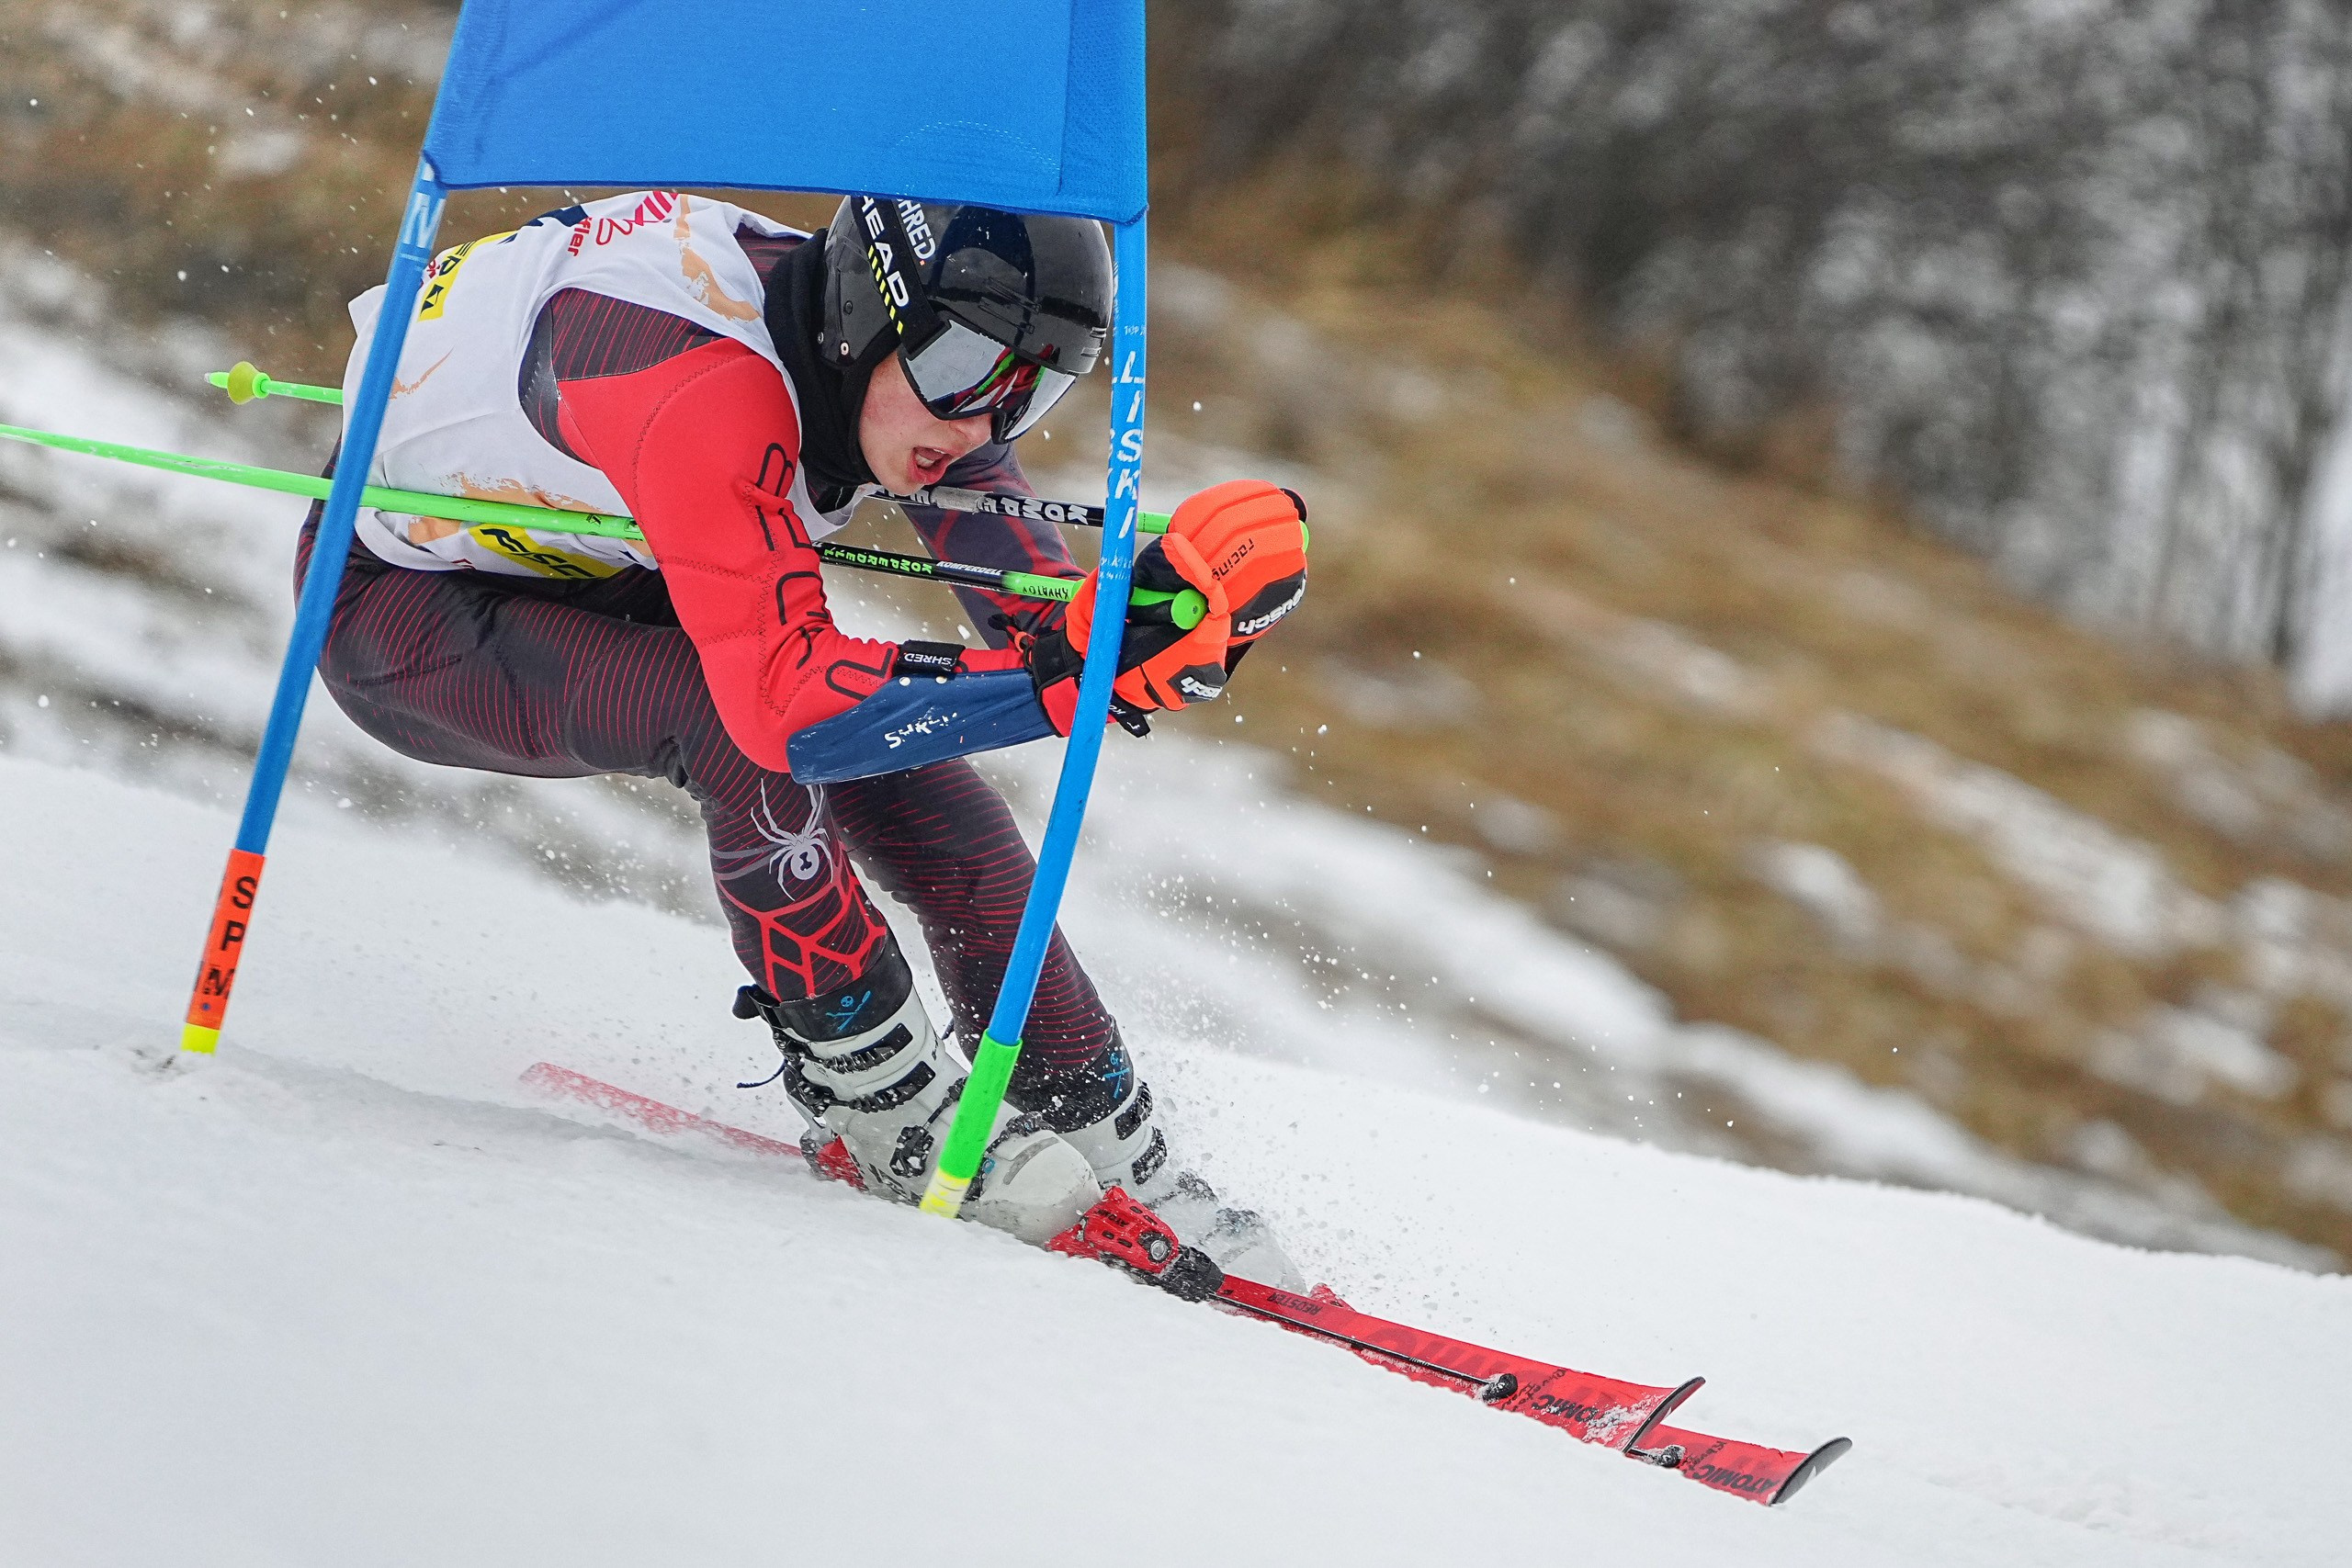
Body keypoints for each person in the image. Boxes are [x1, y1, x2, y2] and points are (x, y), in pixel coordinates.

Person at [300, 189, 1308, 1275]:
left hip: (618, 572)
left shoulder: (916, 373)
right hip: (400, 610)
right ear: (872, 313)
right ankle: (883, 1106)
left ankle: (1092, 1125)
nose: (983, 424)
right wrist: (1071, 679)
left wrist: (1153, 619)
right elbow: (792, 714)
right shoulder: (699, 384)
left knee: (940, 800)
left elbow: (1042, 623)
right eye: (973, 369)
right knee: (742, 728)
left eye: (1037, 388)